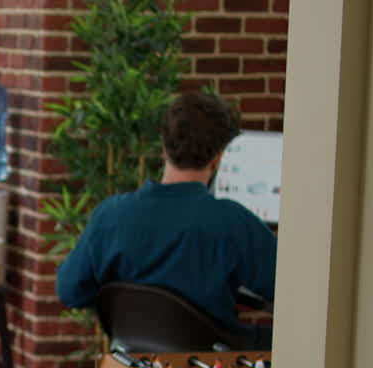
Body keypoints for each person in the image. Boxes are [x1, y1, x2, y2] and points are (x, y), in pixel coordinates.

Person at [56, 92, 277, 348]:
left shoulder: (110, 216)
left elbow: (70, 291)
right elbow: (289, 289)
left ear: (163, 148)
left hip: (132, 367)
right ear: (217, 159)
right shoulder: (233, 223)